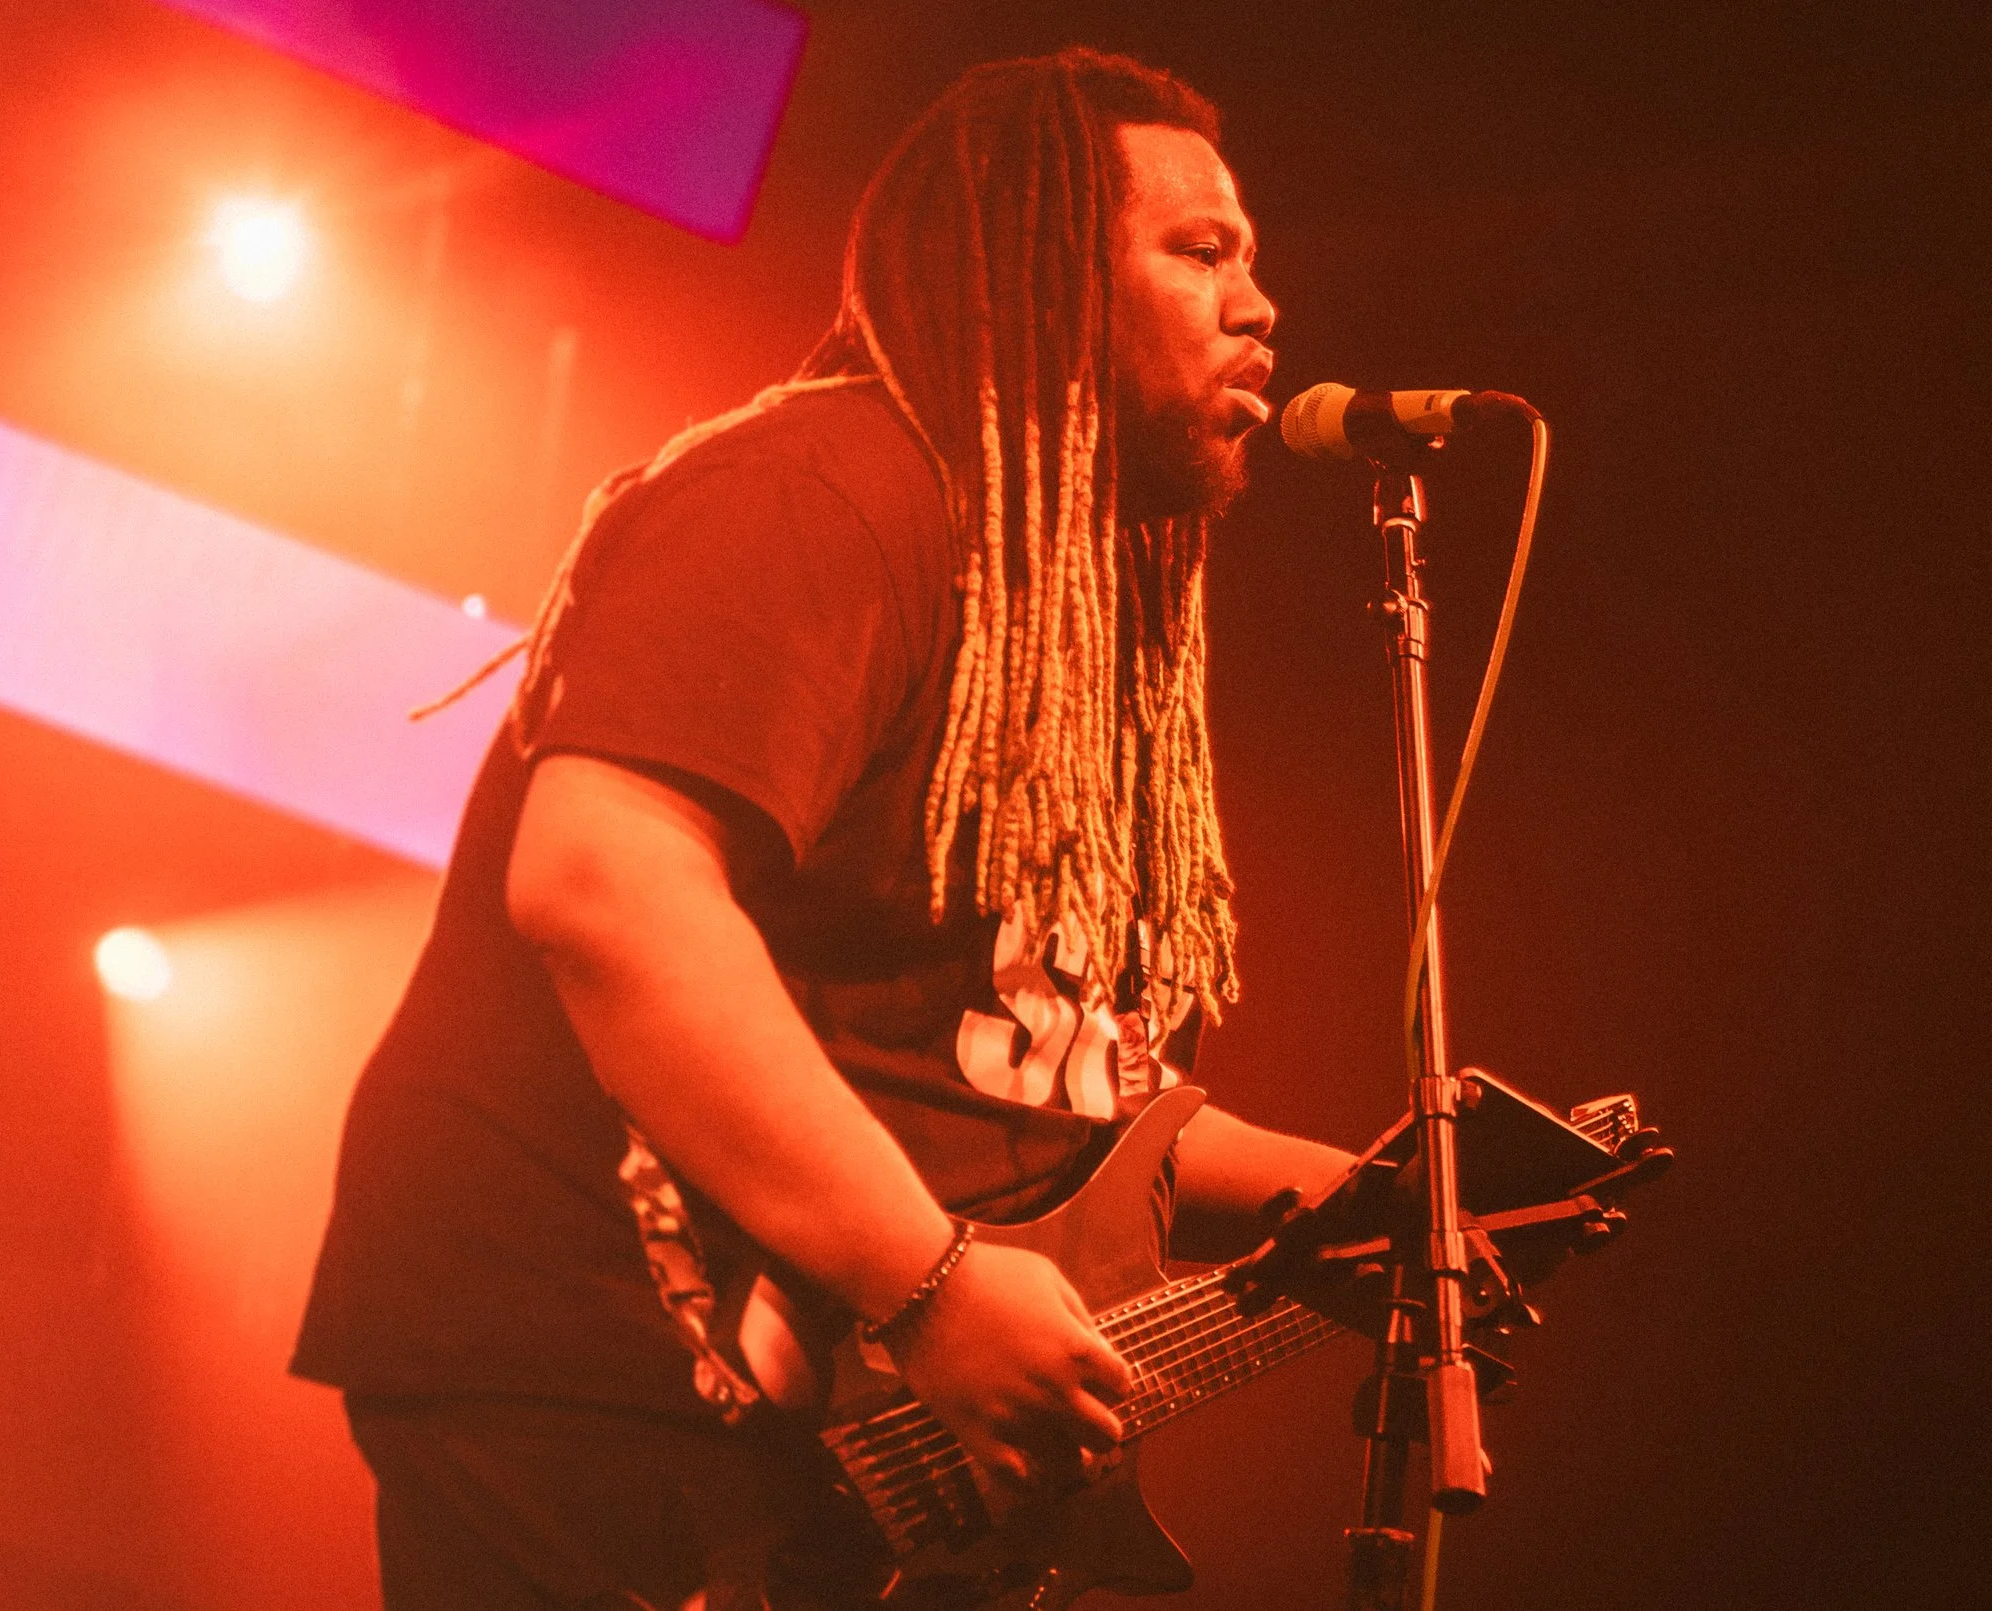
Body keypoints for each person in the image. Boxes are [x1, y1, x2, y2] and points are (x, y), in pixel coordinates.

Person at [291, 46, 1356, 1610]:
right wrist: (924, 1285)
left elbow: (1044, 1085)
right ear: (1045, 269)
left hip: (824, 1437)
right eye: (1199, 252)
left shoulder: (1065, 627)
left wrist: (1379, 1197)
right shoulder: (819, 490)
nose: (1259, 305)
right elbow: (603, 882)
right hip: (612, 1374)